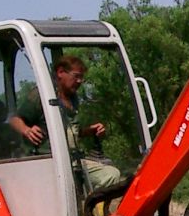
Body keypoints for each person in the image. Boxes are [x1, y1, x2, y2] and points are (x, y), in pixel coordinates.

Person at [8, 55, 123, 191]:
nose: (79, 81)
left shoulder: (73, 98)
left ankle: (89, 209)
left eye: (82, 78)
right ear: (61, 72)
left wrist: (90, 131)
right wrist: (26, 130)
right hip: (48, 161)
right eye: (76, 76)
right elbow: (14, 120)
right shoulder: (43, 94)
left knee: (111, 175)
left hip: (72, 159)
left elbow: (70, 133)